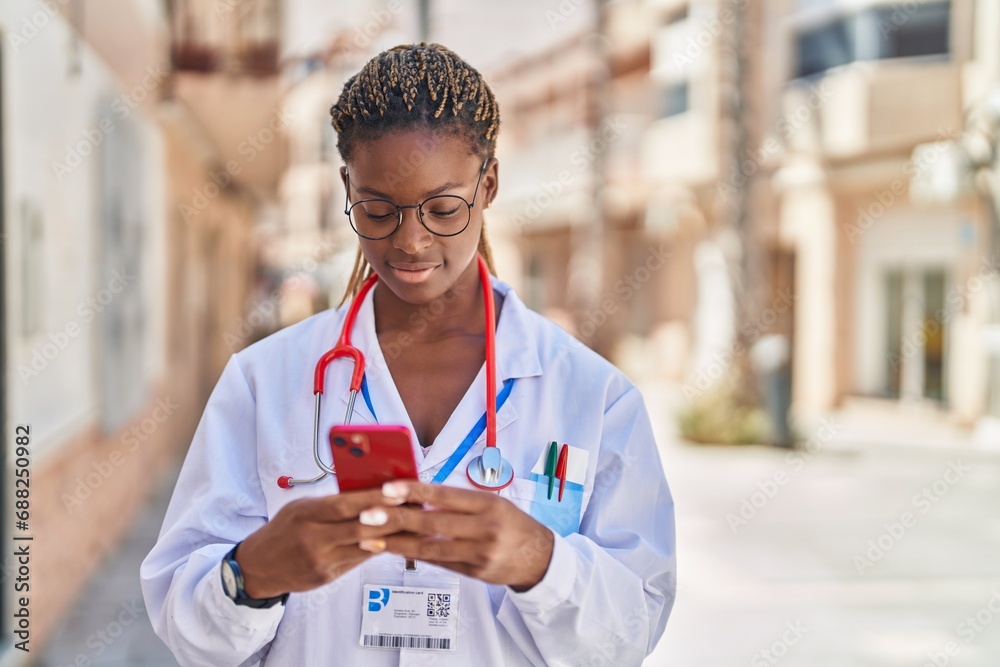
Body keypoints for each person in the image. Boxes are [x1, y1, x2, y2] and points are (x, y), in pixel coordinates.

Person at [140, 42, 675, 666]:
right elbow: (185, 627)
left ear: (489, 184)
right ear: (348, 189)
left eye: (444, 209)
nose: (411, 241)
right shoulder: (264, 382)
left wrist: (541, 562)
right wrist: (250, 576)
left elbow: (631, 636)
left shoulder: (593, 397)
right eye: (377, 210)